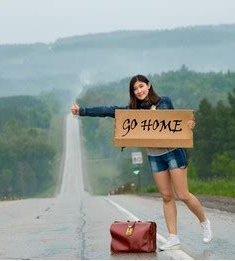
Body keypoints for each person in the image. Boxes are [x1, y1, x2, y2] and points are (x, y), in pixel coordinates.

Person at [71, 74, 212, 251]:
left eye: (141, 86)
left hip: (174, 152)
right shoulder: (132, 111)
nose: (139, 91)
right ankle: (173, 237)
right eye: (135, 89)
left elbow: (179, 122)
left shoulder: (164, 102)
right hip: (155, 155)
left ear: (149, 85)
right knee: (167, 196)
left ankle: (204, 222)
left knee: (183, 194)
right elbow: (107, 110)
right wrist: (82, 111)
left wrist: (190, 124)